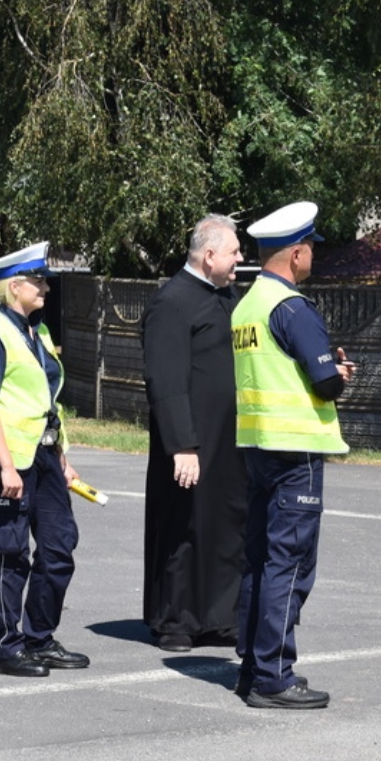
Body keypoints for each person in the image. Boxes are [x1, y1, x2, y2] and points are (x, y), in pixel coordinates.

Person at [231, 201, 354, 709]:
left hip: (258, 447)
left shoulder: (246, 308)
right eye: (311, 250)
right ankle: (274, 676)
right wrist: (338, 375)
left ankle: (252, 666)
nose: (313, 258)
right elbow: (324, 382)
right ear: (296, 253)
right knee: (291, 564)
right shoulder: (292, 308)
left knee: (260, 561)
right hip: (296, 451)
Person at [0, 242, 89, 677]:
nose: (46, 288)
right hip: (9, 460)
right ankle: (6, 648)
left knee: (59, 546)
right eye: (39, 281)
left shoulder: (39, 332)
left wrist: (62, 458)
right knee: (10, 552)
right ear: (14, 286)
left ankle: (40, 638)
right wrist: (6, 465)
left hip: (44, 454)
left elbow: (45, 401)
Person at [140, 214, 248, 652]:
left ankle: (220, 617)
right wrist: (182, 444)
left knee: (226, 522)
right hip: (191, 440)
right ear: (209, 256)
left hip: (229, 439)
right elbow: (165, 378)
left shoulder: (228, 297)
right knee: (184, 525)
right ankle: (176, 620)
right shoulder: (173, 301)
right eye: (234, 252)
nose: (240, 258)